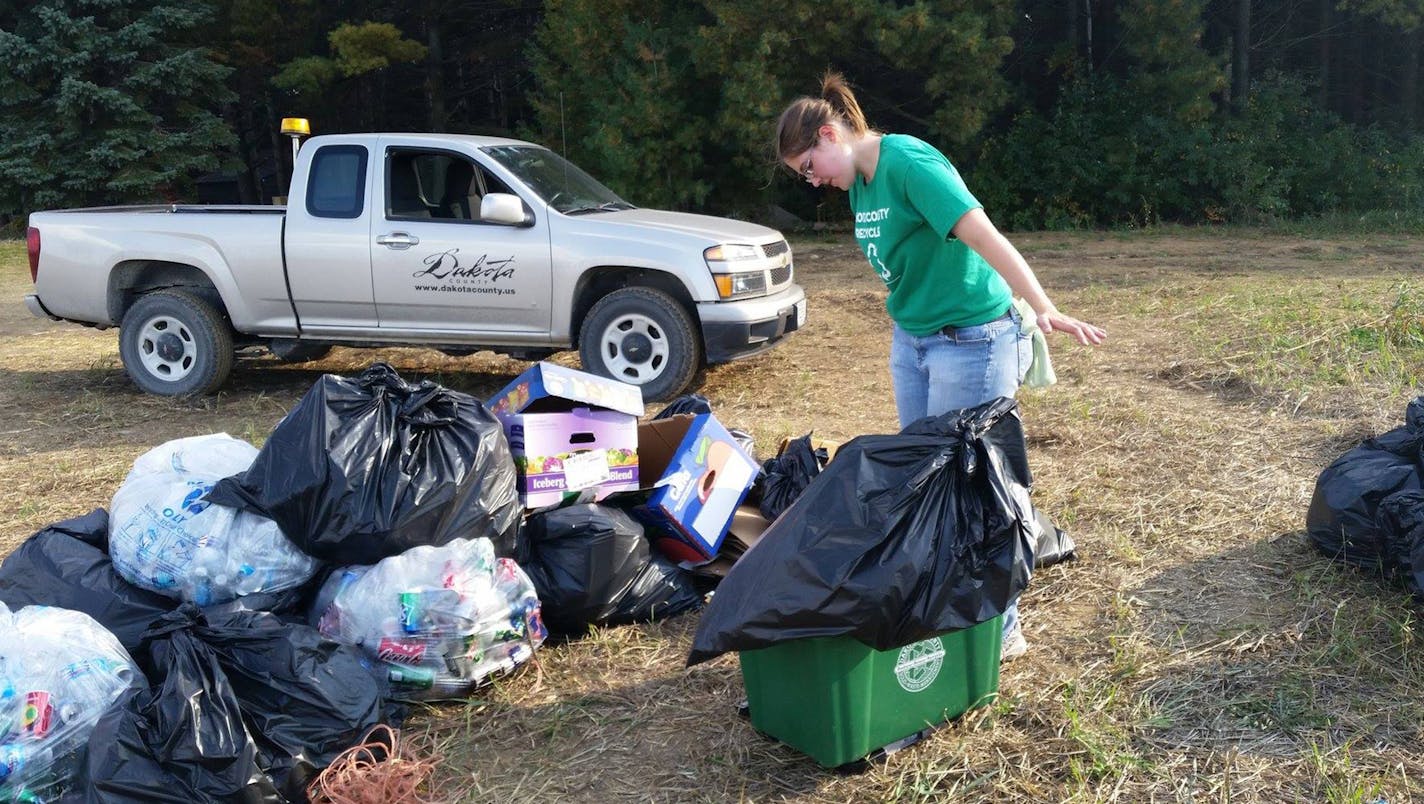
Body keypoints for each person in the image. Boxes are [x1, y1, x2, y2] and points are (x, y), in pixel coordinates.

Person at [776, 72, 1106, 661]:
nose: (812, 180)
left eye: (808, 165)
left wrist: (1044, 306)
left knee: (975, 485)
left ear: (830, 133)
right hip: (916, 342)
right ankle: (946, 603)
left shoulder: (909, 163)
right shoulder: (860, 184)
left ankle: (1001, 630)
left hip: (973, 342)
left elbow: (986, 236)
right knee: (926, 482)